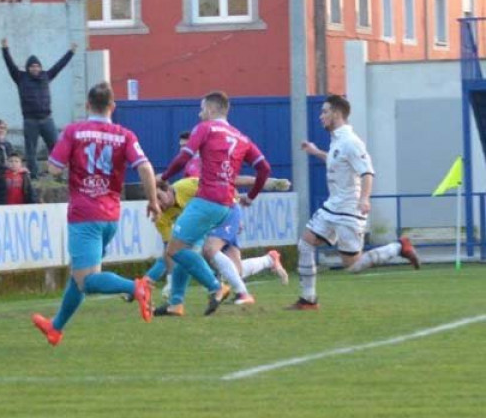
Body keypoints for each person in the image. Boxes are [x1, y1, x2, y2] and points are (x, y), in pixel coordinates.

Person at [31, 82, 160, 347]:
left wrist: (67, 164)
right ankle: (55, 328)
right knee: (79, 278)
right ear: (112, 107)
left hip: (84, 214)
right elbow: (145, 168)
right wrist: (153, 201)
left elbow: (54, 169)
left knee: (87, 281)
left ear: (87, 105)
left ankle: (136, 287)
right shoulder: (125, 135)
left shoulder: (74, 131)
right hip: (110, 215)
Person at [291, 94, 420, 310]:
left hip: (349, 210)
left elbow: (367, 172)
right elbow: (336, 159)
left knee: (351, 266)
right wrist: (315, 152)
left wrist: (364, 199)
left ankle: (399, 247)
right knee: (305, 243)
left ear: (337, 113)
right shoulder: (338, 142)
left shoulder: (352, 142)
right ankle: (308, 299)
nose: (321, 116)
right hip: (332, 207)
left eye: (324, 112)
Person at [159, 91, 271, 316]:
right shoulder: (242, 137)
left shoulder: (206, 128)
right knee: (187, 248)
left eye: (202, 109)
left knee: (174, 249)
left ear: (211, 110)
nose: (200, 114)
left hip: (206, 200)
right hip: (226, 205)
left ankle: (216, 287)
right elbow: (264, 168)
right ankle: (176, 303)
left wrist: (163, 177)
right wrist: (251, 196)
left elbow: (185, 156)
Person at [1, 38, 76, 176]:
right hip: (30, 121)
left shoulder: (46, 76)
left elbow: (60, 65)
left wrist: (70, 52)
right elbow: (10, 65)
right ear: (28, 68)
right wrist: (5, 49)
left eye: (37, 66)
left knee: (55, 148)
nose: (35, 68)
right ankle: (34, 176)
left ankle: (57, 174)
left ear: (40, 67)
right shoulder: (20, 77)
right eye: (32, 66)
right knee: (31, 150)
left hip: (47, 119)